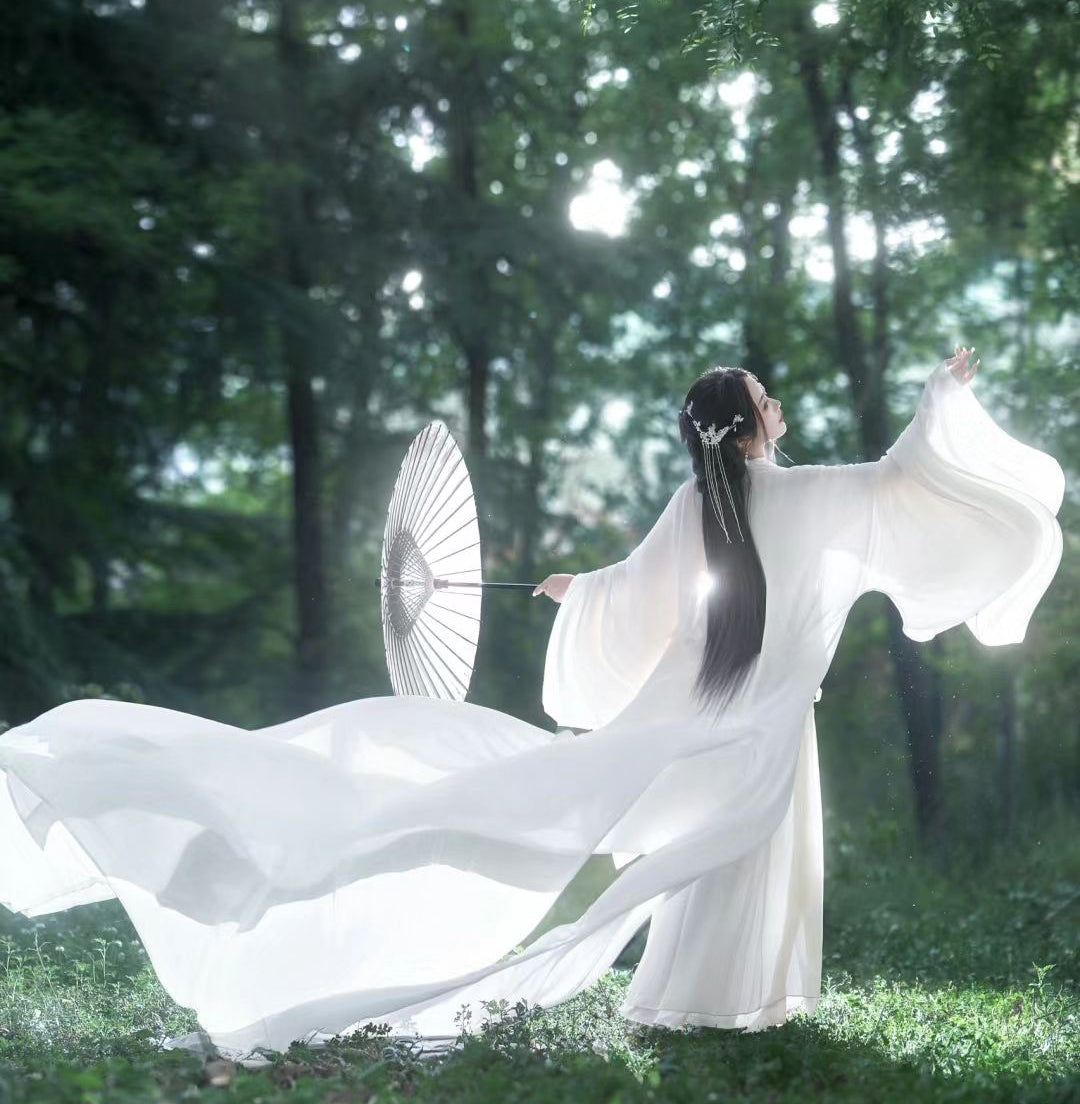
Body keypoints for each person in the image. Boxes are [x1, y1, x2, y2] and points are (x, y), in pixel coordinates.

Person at [0, 348, 1064, 1062]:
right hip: (759, 721)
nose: (778, 404)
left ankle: (692, 1000)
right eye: (764, 396)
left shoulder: (696, 503)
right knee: (740, 853)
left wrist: (579, 593)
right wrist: (945, 401)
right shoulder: (815, 492)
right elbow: (905, 483)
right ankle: (724, 1002)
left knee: (650, 842)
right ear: (752, 427)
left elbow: (639, 592)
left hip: (697, 720)